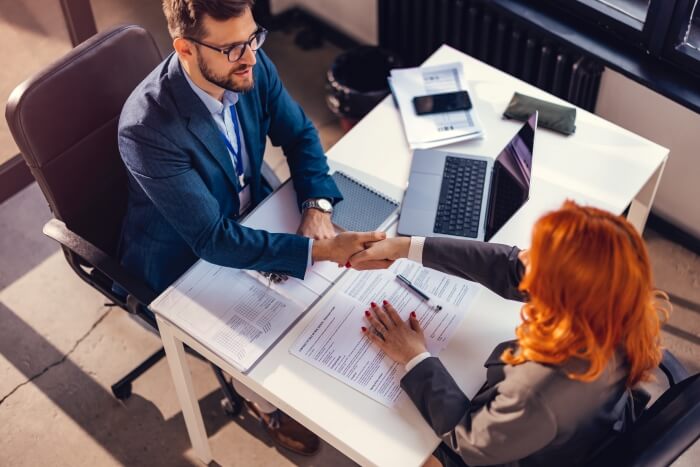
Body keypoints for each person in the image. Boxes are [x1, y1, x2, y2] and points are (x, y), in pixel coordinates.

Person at [117, 0, 383, 455]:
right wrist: (319, 251)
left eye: (254, 38)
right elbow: (212, 240)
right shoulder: (146, 128)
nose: (251, 57)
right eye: (233, 48)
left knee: (332, 307)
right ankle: (262, 401)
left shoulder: (248, 64)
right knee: (279, 341)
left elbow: (300, 135)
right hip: (183, 258)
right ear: (185, 49)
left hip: (252, 205)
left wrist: (317, 208)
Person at [350, 201, 668, 467]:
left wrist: (415, 357)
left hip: (514, 448)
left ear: (564, 293)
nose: (523, 255)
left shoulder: (541, 389)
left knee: (398, 445)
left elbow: (469, 441)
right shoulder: (616, 304)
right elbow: (509, 266)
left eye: (537, 257)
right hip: (577, 429)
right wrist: (407, 246)